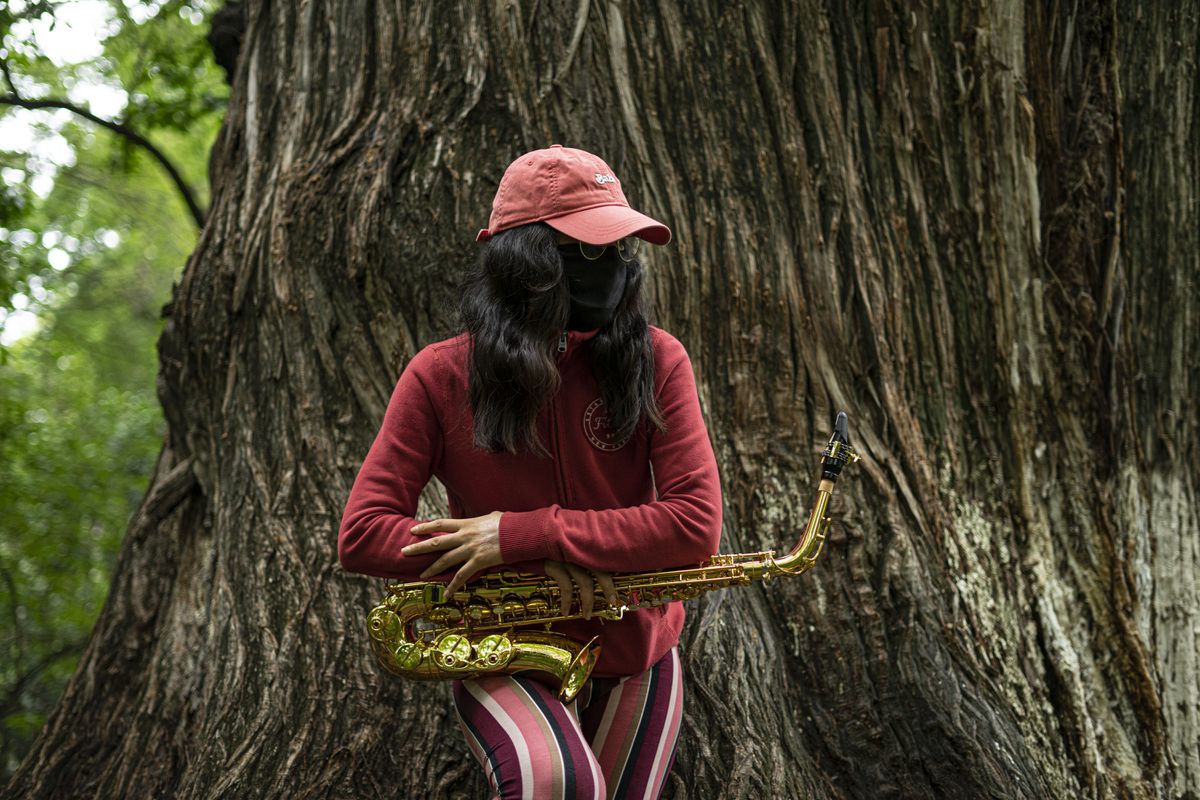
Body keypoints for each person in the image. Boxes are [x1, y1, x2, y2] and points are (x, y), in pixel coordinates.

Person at [337, 144, 723, 800]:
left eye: (621, 250)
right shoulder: (440, 375)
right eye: (591, 250)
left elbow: (694, 526)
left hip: (638, 648)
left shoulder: (659, 359)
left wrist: (525, 537)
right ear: (526, 261)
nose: (616, 270)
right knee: (556, 783)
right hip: (504, 647)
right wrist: (522, 568)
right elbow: (364, 533)